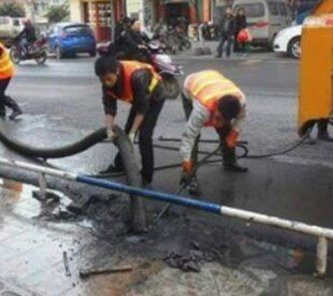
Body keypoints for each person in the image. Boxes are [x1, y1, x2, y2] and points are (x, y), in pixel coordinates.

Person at [95, 55, 166, 187]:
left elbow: (142, 110)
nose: (106, 83)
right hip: (139, 98)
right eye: (102, 80)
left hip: (155, 96)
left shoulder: (137, 76)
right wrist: (109, 128)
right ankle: (120, 165)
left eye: (108, 79)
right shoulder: (106, 82)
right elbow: (110, 108)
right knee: (126, 132)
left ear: (116, 71)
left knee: (144, 135)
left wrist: (134, 132)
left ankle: (147, 176)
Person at [180, 70, 247, 196]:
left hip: (213, 81)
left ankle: (229, 162)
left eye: (222, 119)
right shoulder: (202, 108)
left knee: (227, 130)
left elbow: (241, 118)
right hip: (191, 88)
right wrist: (186, 160)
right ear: (216, 107)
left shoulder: (241, 101)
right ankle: (189, 177)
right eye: (217, 118)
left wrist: (233, 135)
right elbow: (189, 136)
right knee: (195, 137)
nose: (216, 124)